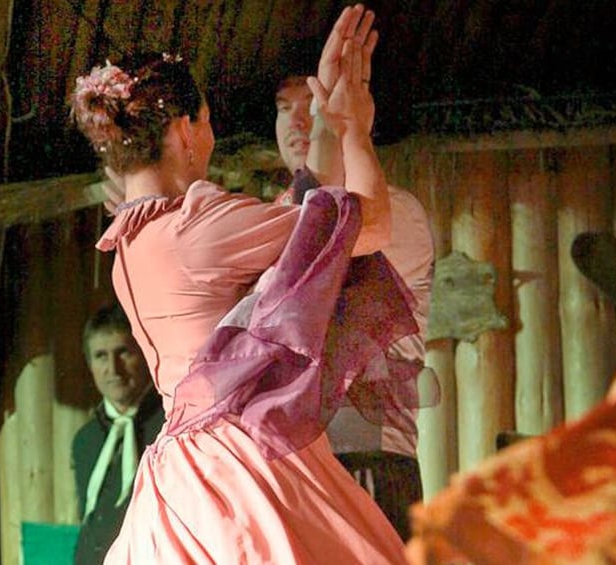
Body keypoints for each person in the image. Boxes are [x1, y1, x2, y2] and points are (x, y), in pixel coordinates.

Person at [71, 5, 414, 562]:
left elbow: (306, 212)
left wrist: (325, 119)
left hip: (181, 476)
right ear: (186, 128)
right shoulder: (197, 226)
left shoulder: (130, 243)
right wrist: (355, 129)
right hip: (243, 462)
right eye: (206, 121)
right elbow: (366, 224)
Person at [271, 26, 435, 541]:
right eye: (284, 107)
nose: (299, 121)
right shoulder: (272, 215)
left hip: (367, 462)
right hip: (288, 465)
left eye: (314, 103)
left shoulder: (398, 213)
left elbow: (316, 244)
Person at [71, 303, 164, 565]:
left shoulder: (170, 428)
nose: (113, 369)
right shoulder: (85, 440)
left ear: (143, 354)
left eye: (123, 352)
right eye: (100, 356)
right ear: (90, 364)